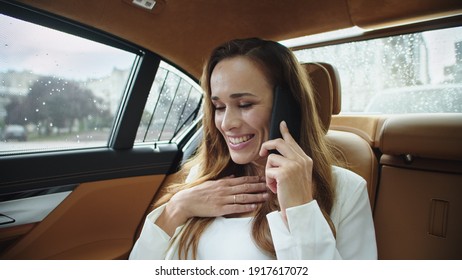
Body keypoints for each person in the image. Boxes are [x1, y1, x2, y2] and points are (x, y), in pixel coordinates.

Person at [129, 38, 377, 260]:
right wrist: (176, 208)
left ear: (288, 106)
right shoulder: (201, 180)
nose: (227, 124)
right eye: (219, 107)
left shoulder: (347, 189)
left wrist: (300, 208)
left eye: (245, 104)